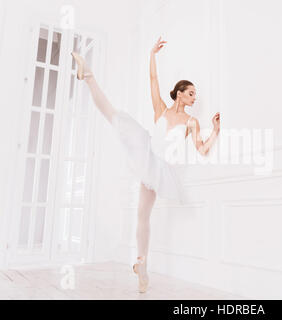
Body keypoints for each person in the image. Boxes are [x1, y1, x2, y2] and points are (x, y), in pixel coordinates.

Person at [71, 36, 221, 293]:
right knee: (113, 115)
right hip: (147, 150)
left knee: (143, 214)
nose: (195, 98)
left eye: (196, 95)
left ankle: (142, 265)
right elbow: (153, 81)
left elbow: (203, 150)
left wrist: (215, 131)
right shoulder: (161, 109)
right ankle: (88, 76)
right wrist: (152, 54)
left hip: (160, 166)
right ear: (180, 93)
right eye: (191, 93)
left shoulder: (192, 122)